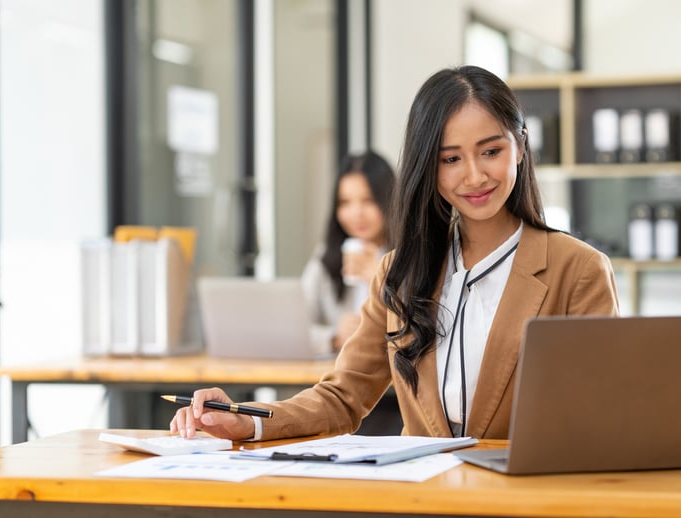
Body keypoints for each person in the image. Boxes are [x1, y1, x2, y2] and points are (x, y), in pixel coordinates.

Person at [170, 65, 619, 441]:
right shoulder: (400, 271)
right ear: (429, 165)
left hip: (524, 497)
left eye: (491, 151)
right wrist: (246, 420)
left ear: (519, 147)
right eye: (451, 159)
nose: (475, 175)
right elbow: (343, 396)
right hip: (420, 497)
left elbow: (602, 412)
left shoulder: (577, 269)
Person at [302, 151, 395, 356]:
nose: (356, 213)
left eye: (368, 200)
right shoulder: (327, 256)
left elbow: (426, 328)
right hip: (342, 378)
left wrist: (379, 281)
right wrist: (334, 337)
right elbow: (295, 327)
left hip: (395, 382)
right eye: (345, 202)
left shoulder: (411, 255)